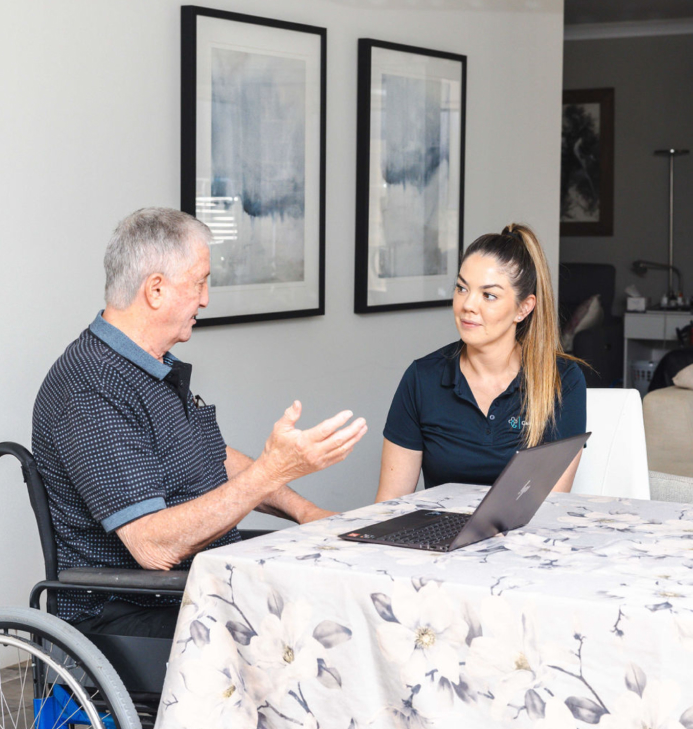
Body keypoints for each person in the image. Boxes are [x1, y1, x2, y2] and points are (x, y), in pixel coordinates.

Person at [32, 207, 367, 638]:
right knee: (334, 628)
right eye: (199, 282)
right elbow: (153, 546)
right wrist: (270, 471)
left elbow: (210, 458)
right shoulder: (92, 389)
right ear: (155, 290)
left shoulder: (145, 366)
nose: (206, 299)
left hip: (198, 581)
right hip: (131, 610)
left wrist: (306, 512)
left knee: (343, 585)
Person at [375, 223, 586, 502]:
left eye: (489, 295)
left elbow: (550, 503)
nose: (467, 305)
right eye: (462, 288)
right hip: (438, 538)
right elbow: (388, 505)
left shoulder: (561, 379)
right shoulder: (422, 379)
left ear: (524, 308)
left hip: (523, 540)